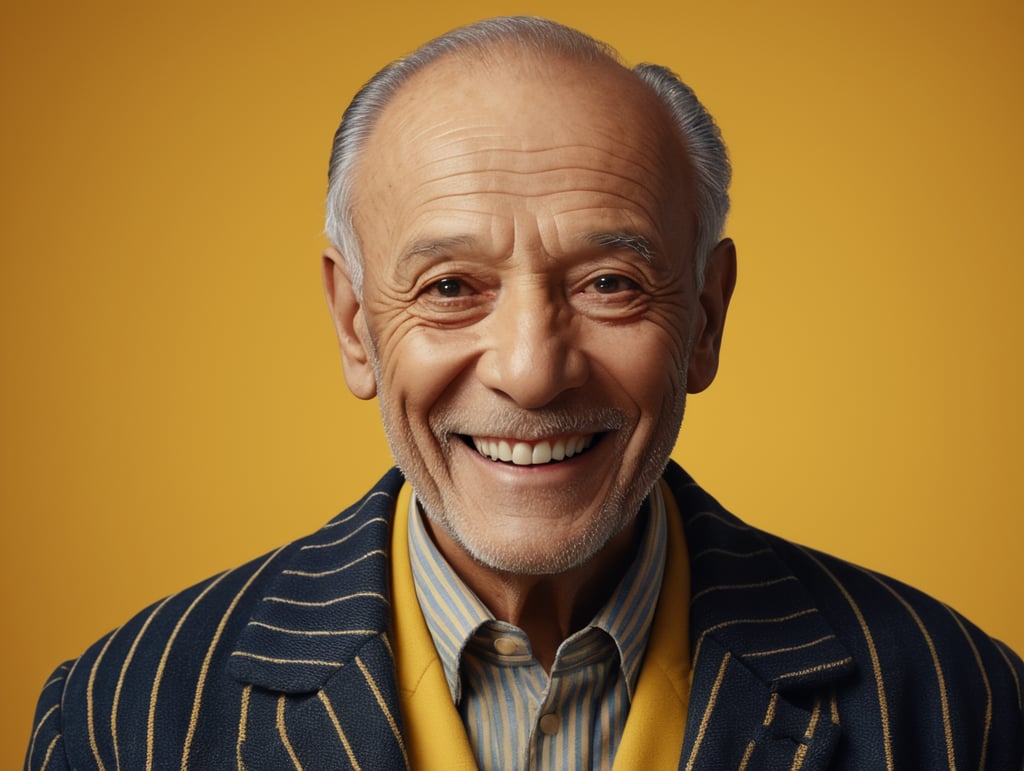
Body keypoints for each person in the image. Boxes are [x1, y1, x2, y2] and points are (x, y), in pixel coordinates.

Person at [25, 16, 1022, 770]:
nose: (533, 371)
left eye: (608, 285)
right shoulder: (123, 716)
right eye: (451, 288)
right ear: (353, 324)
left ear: (706, 317)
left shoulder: (959, 703)